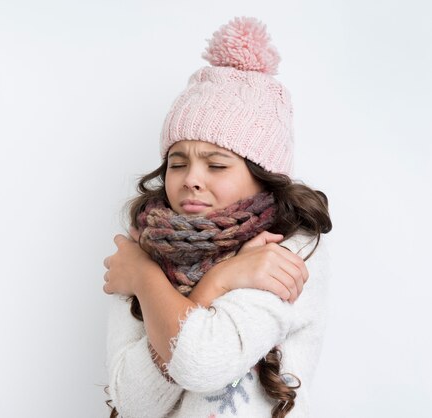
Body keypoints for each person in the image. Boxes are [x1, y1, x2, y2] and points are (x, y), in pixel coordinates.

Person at [102, 17, 332, 418]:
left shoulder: (288, 247)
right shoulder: (144, 247)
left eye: (217, 165)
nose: (191, 179)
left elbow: (204, 362)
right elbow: (133, 405)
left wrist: (144, 278)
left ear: (262, 175)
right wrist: (216, 282)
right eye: (177, 163)